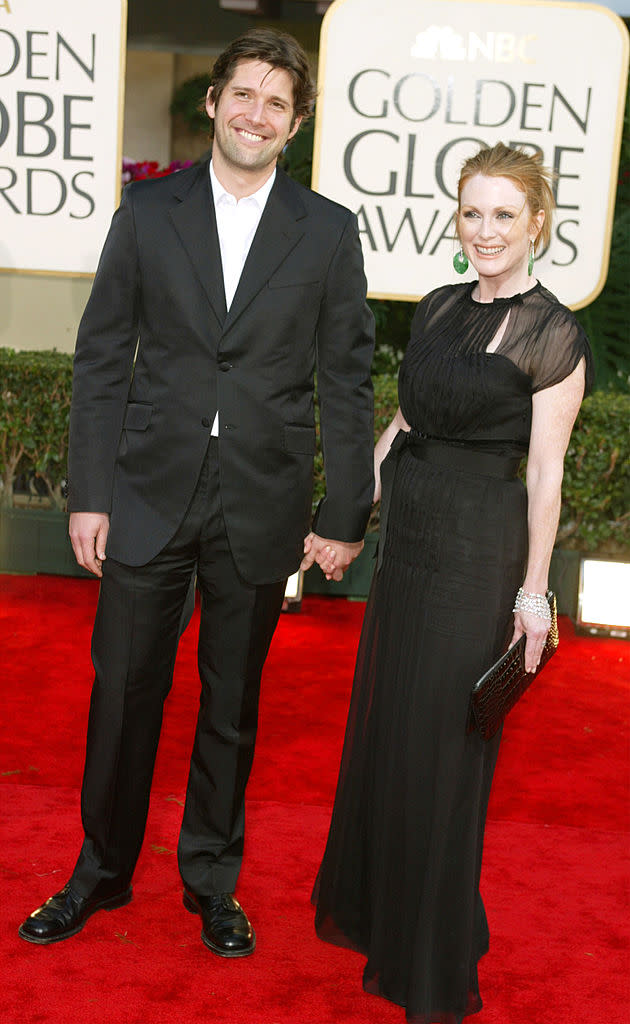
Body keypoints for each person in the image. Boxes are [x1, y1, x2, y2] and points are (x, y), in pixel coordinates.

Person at [19, 28, 374, 955]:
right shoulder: (146, 212)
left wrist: (345, 514)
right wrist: (87, 493)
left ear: (294, 126)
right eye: (244, 94)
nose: (257, 113)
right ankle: (99, 874)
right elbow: (101, 358)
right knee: (123, 692)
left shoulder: (329, 231)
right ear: (213, 102)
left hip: (262, 496)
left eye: (277, 103)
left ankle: (212, 881)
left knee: (231, 702)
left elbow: (347, 378)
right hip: (144, 489)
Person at [312, 142, 592, 1022]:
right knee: (392, 726)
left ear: (537, 223)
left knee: (444, 744)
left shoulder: (554, 332)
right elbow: (402, 421)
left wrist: (533, 594)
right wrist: (346, 516)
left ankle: (428, 950)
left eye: (505, 213)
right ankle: (378, 911)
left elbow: (545, 475)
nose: (486, 230)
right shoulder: (436, 307)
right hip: (411, 545)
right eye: (473, 211)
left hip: (479, 550)